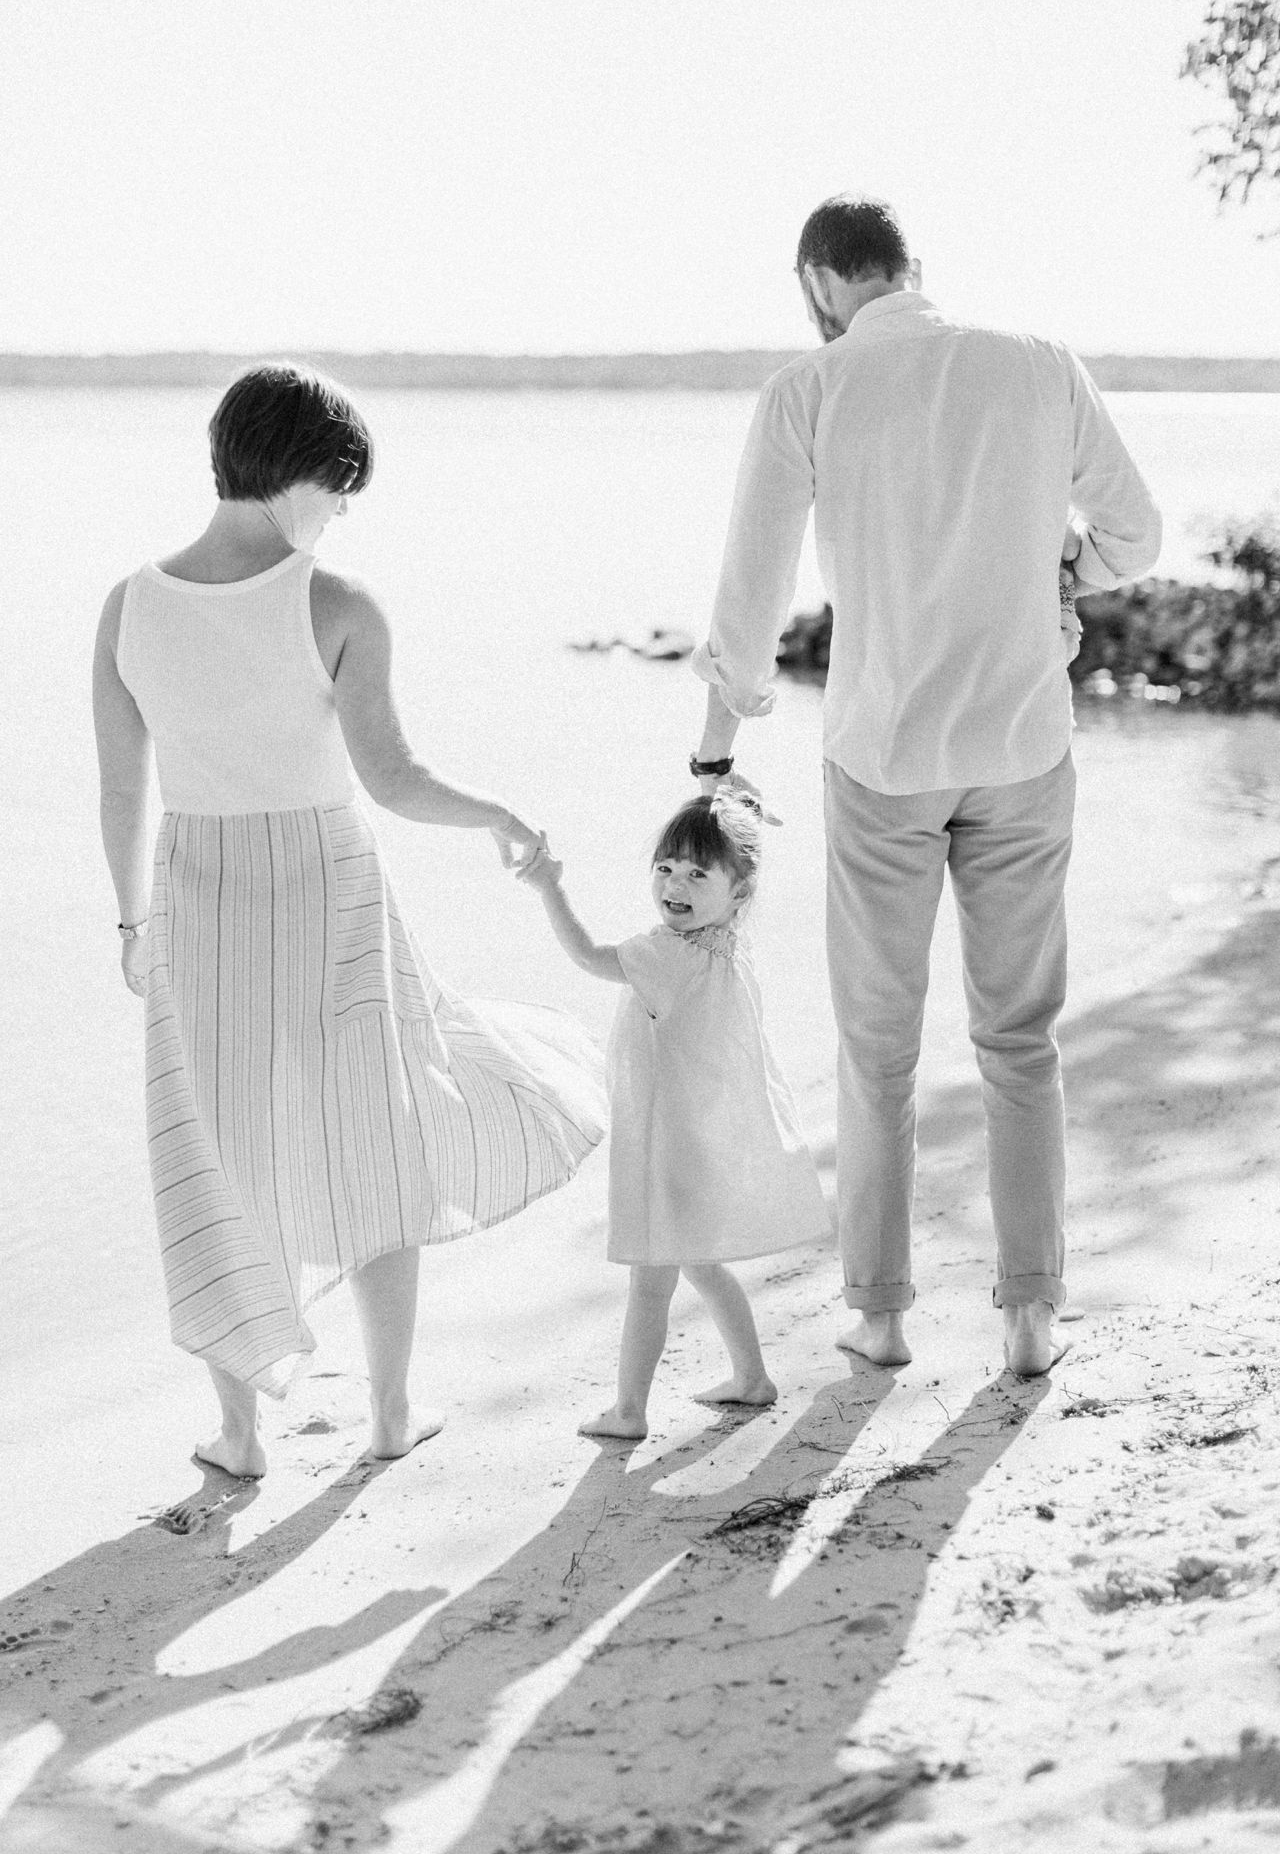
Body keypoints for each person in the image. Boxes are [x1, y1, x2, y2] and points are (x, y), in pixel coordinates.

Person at [92, 362, 606, 1478]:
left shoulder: (128, 604)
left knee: (212, 1157)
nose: (337, 515)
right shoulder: (334, 600)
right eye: (339, 490)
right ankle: (384, 1414)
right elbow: (393, 776)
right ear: (301, 474)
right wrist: (499, 814)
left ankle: (238, 1432)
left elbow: (123, 790)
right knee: (377, 1138)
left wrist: (132, 925)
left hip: (195, 897)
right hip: (327, 891)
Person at [688, 194, 1162, 1379]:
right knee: (1018, 1039)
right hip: (1018, 747)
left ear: (817, 283)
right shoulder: (1037, 363)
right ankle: (1028, 1316)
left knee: (876, 1047)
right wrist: (1067, 562)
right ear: (912, 268)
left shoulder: (810, 389)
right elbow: (1135, 534)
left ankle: (883, 1314)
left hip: (882, 759)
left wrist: (711, 755)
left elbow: (748, 602)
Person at [518, 790, 829, 1439]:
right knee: (703, 1266)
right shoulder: (726, 946)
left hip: (667, 1149)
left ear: (738, 891)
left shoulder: (670, 953)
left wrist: (549, 887)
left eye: (696, 873)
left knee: (650, 1285)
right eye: (666, 868)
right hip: (700, 1143)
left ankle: (629, 1410)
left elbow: (588, 955)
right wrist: (737, 808)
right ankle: (751, 1376)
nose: (674, 885)